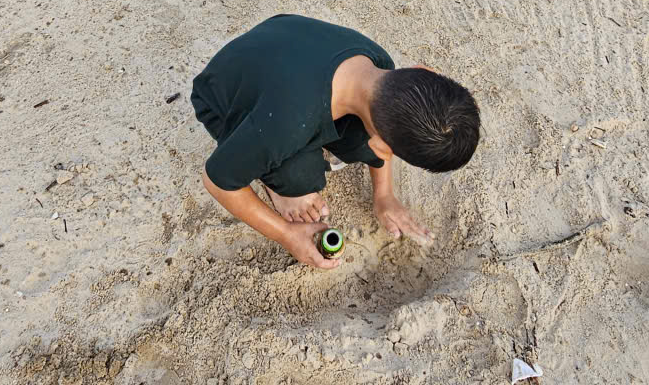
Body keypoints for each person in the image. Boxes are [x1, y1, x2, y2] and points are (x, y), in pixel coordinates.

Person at [192, 14, 481, 269]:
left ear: (421, 70)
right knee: (299, 179)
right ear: (383, 145)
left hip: (279, 48)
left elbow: (383, 128)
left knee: (356, 142)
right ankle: (277, 184)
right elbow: (217, 180)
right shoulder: (286, 124)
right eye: (384, 147)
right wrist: (286, 234)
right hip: (221, 96)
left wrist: (384, 196)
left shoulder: (381, 65)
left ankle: (286, 160)